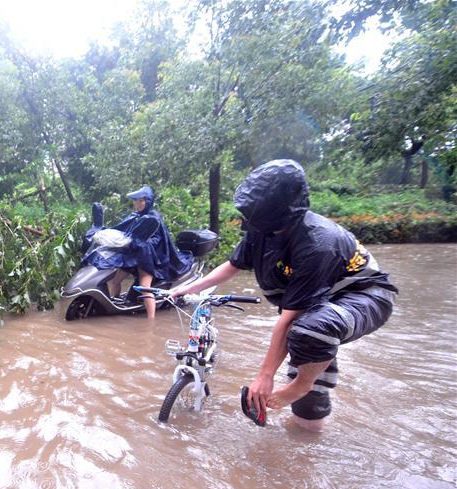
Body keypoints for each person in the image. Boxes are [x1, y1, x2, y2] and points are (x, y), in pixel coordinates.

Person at [170, 160, 397, 431]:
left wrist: (265, 376)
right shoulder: (262, 231)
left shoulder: (317, 243)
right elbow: (233, 265)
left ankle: (299, 387)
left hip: (364, 297)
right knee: (306, 354)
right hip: (319, 306)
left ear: (279, 211)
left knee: (307, 333)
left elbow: (290, 320)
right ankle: (306, 431)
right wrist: (187, 288)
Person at [82, 186, 194, 318]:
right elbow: (121, 231)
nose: (137, 204)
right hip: (132, 254)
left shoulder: (153, 218)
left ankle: (150, 322)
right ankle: (115, 307)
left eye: (140, 200)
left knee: (145, 288)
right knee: (115, 281)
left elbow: (158, 242)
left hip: (148, 258)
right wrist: (102, 232)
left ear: (147, 201)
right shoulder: (135, 216)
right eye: (135, 201)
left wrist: (139, 244)